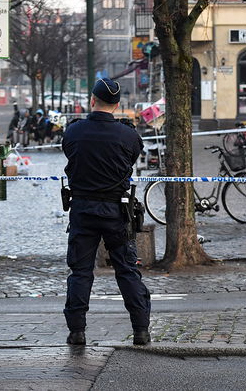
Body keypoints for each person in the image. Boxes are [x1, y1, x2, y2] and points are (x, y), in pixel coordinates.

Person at [61, 78, 151, 346]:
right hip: (116, 211)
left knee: (80, 272)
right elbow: (134, 157)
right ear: (117, 104)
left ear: (92, 100)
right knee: (127, 270)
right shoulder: (128, 135)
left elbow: (69, 153)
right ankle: (141, 330)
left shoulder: (74, 132)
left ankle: (77, 331)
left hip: (83, 209)